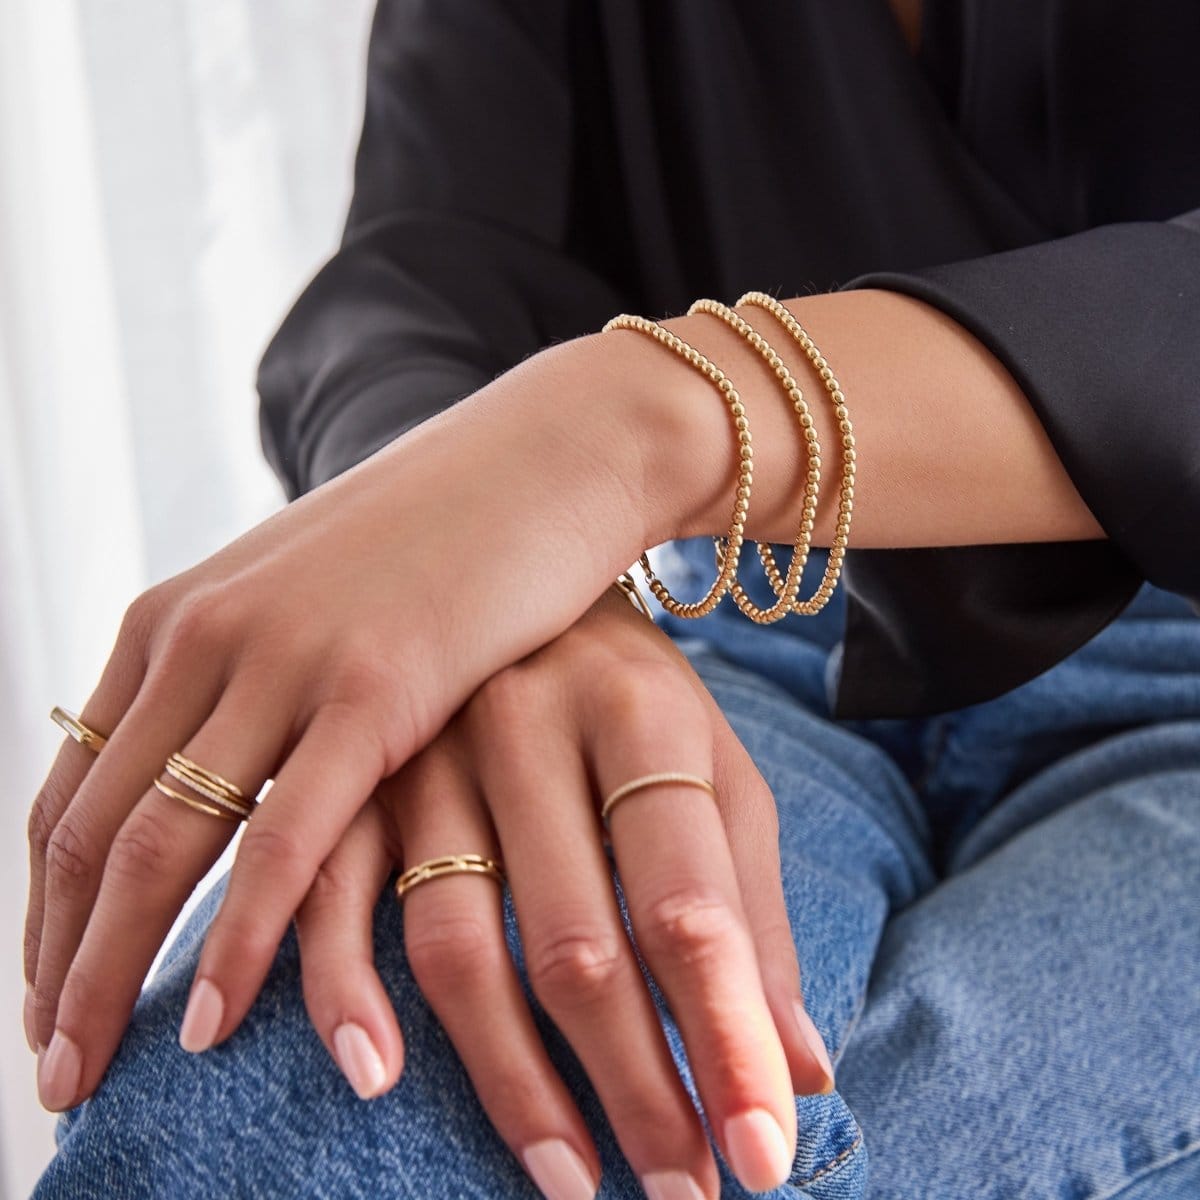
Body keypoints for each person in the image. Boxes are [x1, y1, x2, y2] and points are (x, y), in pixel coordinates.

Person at [25, 1, 1200, 1197]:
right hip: (727, 619)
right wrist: (496, 602)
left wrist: (634, 423)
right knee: (263, 1134)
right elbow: (427, 258)